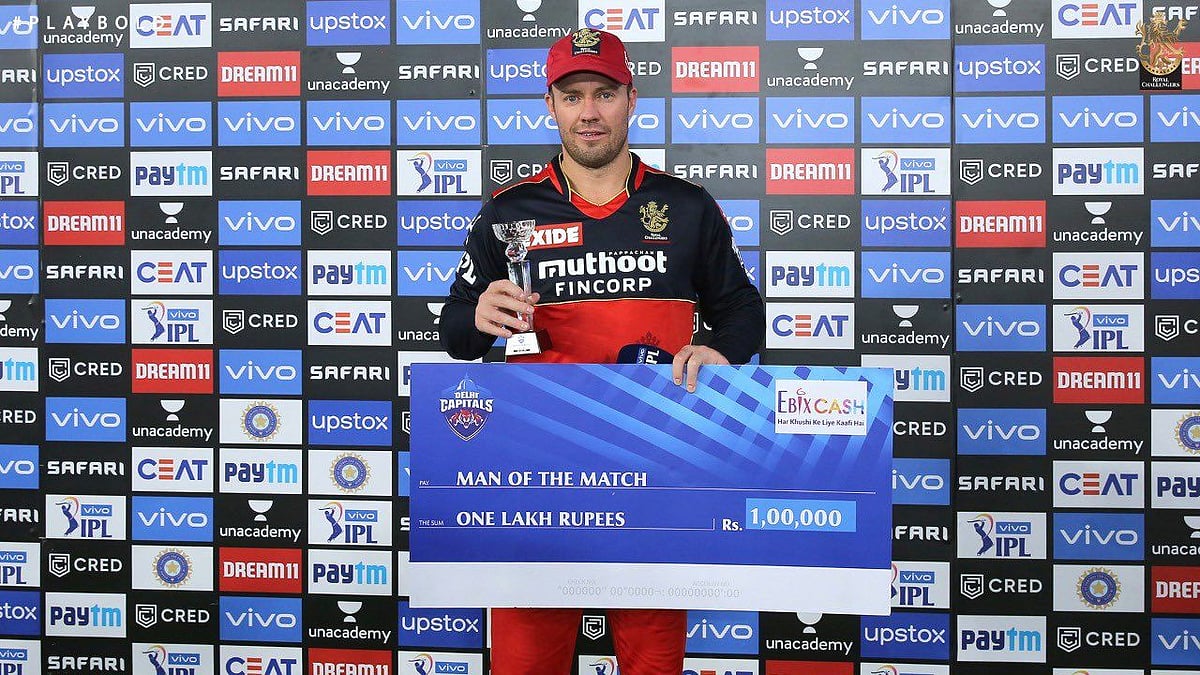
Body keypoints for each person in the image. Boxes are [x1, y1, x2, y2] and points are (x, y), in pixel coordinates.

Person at [439, 27, 765, 675]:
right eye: (572, 96)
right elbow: (456, 333)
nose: (589, 111)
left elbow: (741, 311)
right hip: (537, 480)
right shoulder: (507, 213)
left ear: (631, 98)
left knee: (652, 664)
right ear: (550, 105)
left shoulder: (687, 207)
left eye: (604, 93)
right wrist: (475, 316)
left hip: (657, 472)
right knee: (526, 665)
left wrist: (719, 353)